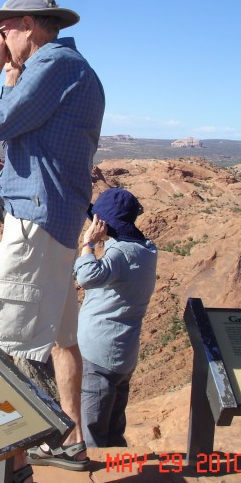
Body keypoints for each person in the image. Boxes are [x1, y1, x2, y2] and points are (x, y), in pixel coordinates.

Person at [0, 0, 105, 483]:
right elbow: (25, 130)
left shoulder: (53, 66)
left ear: (28, 24)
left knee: (1, 343)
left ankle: (11, 471)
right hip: (58, 226)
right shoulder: (68, 68)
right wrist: (10, 77)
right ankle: (69, 442)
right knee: (62, 339)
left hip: (34, 229)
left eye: (2, 30)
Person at [74, 188, 158, 448]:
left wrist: (88, 244)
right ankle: (123, 476)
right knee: (113, 429)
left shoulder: (121, 253)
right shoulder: (146, 250)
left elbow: (86, 277)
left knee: (92, 433)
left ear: (102, 223)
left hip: (98, 354)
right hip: (122, 354)